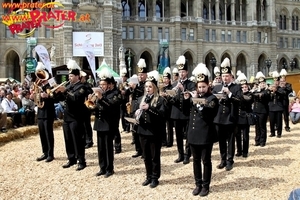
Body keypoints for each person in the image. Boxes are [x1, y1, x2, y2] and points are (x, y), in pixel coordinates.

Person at [183, 63, 218, 197]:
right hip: (193, 134)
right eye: (199, 87)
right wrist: (187, 100)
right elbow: (186, 112)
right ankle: (197, 184)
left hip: (205, 135)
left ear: (208, 86)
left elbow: (208, 113)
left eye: (204, 86)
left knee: (206, 160)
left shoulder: (212, 99)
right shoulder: (194, 98)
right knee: (196, 161)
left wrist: (196, 101)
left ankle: (205, 185)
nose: (201, 89)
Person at [133, 70, 166, 188]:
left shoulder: (160, 100)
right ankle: (148, 176)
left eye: (150, 87)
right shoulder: (141, 99)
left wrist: (149, 108)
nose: (147, 89)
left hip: (154, 132)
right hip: (142, 130)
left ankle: (155, 177)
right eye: (146, 86)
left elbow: (162, 114)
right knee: (146, 155)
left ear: (154, 88)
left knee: (154, 156)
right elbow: (134, 113)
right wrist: (136, 113)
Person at [56, 59, 88, 171]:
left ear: (77, 76)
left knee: (77, 139)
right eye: (69, 76)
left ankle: (81, 160)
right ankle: (71, 158)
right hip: (67, 116)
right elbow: (60, 99)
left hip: (76, 117)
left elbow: (76, 98)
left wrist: (65, 91)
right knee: (68, 138)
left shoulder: (82, 87)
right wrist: (57, 92)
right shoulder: (68, 86)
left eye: (71, 76)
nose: (69, 78)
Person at [212, 57, 242, 171]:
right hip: (219, 118)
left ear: (230, 76)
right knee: (221, 140)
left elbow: (239, 100)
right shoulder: (217, 87)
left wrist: (229, 94)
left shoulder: (236, 87)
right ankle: (223, 159)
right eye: (223, 76)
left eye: (227, 76)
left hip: (230, 117)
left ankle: (230, 160)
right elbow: (212, 100)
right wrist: (217, 98)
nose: (225, 78)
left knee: (230, 140)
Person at [93, 67, 120, 178]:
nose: (101, 86)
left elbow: (110, 106)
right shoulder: (100, 94)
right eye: (100, 84)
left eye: (103, 84)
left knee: (108, 147)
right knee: (100, 147)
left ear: (109, 84)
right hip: (99, 123)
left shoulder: (115, 93)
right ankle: (102, 167)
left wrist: (101, 98)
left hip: (109, 123)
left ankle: (110, 168)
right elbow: (95, 109)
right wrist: (93, 103)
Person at [170, 55, 195, 164]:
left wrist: (183, 89)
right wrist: (170, 95)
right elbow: (171, 101)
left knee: (188, 135)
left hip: (187, 113)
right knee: (178, 135)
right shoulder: (174, 84)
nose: (181, 74)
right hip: (176, 113)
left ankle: (187, 154)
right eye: (180, 72)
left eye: (183, 72)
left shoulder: (191, 84)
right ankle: (180, 154)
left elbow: (192, 99)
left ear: (187, 73)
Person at [126, 58, 148, 158]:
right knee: (134, 130)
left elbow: (143, 92)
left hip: (142, 108)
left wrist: (135, 88)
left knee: (142, 131)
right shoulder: (136, 84)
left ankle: (144, 151)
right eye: (139, 75)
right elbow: (127, 94)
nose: (140, 76)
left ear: (146, 75)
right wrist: (130, 88)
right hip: (134, 108)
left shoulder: (147, 84)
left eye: (142, 75)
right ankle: (138, 149)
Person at [34, 62, 56, 163]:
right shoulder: (38, 84)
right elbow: (36, 97)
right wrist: (33, 96)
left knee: (48, 133)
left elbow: (56, 97)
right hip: (40, 112)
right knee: (42, 133)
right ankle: (45, 152)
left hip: (48, 111)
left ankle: (50, 154)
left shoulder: (51, 83)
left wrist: (48, 96)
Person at [235, 73, 253, 158]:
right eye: (242, 87)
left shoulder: (250, 95)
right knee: (238, 135)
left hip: (245, 116)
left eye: (245, 87)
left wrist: (240, 95)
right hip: (238, 117)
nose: (244, 88)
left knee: (245, 135)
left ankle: (245, 151)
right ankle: (239, 150)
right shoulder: (238, 95)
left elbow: (247, 100)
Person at [252, 72, 270, 147]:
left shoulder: (267, 91)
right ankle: (257, 140)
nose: (262, 84)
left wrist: (260, 94)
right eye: (261, 83)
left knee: (262, 126)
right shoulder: (256, 90)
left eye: (263, 83)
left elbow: (266, 96)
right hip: (256, 110)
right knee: (257, 126)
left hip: (263, 111)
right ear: (259, 84)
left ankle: (263, 141)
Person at [80, 71, 94, 149]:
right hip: (80, 107)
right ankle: (84, 140)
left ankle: (89, 141)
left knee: (86, 125)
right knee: (81, 125)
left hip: (86, 107)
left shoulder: (87, 85)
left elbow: (90, 93)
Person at [160, 67, 174, 147]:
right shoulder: (162, 88)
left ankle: (170, 142)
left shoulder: (171, 88)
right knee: (162, 126)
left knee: (169, 126)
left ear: (169, 79)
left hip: (169, 108)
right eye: (164, 78)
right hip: (163, 108)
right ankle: (163, 141)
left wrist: (166, 96)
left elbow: (172, 98)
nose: (165, 80)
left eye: (166, 78)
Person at [268, 71, 284, 138]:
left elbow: (282, 94)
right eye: (274, 81)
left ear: (278, 82)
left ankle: (279, 133)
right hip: (271, 107)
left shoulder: (280, 89)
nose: (275, 83)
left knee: (279, 121)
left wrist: (276, 90)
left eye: (277, 81)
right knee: (271, 121)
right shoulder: (270, 88)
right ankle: (272, 132)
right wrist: (270, 91)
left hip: (278, 107)